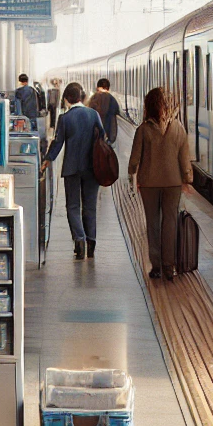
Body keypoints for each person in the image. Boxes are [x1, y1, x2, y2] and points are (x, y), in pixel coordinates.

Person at [127, 86, 192, 280]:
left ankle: (155, 266)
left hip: (149, 184)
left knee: (153, 223)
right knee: (170, 222)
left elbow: (134, 159)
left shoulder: (143, 129)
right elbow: (184, 158)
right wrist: (187, 179)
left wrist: (132, 176)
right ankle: (169, 265)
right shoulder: (179, 129)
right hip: (173, 183)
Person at [41, 82, 105, 260]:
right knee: (90, 206)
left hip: (72, 168)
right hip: (93, 167)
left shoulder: (65, 118)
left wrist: (48, 159)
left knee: (73, 206)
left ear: (67, 99)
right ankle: (91, 243)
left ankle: (79, 240)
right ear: (81, 97)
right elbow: (103, 136)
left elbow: (58, 142)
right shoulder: (93, 114)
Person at [88, 78, 122, 144]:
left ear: (97, 87)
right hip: (108, 137)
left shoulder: (93, 99)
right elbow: (115, 116)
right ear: (108, 88)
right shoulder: (112, 99)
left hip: (94, 137)